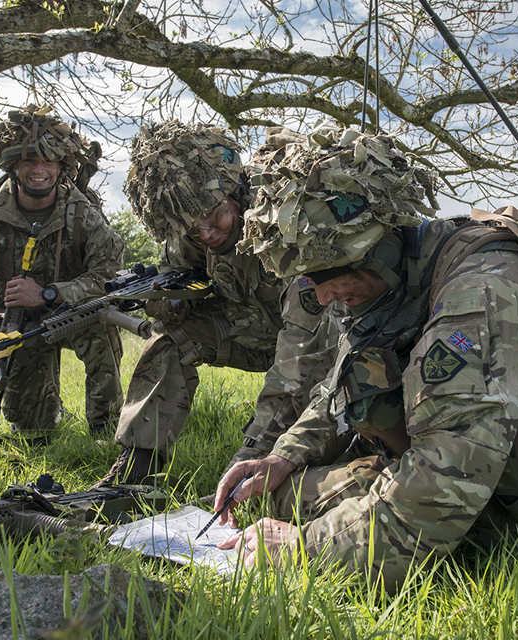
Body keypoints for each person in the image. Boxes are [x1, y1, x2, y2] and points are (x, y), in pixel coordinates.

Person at [215, 123, 518, 588]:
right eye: (307, 282)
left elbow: (445, 481)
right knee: (276, 494)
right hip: (448, 458)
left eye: (325, 276)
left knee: (304, 524)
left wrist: (304, 549)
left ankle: (481, 542)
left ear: (377, 246)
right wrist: (281, 456)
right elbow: (337, 385)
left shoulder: (485, 288)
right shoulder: (389, 279)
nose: (321, 297)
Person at [95, 121, 345, 485]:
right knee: (169, 337)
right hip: (253, 333)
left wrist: (252, 453)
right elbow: (174, 277)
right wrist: (168, 306)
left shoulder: (286, 214)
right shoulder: (192, 223)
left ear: (234, 190)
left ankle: (270, 461)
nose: (207, 234)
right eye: (194, 229)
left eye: (214, 218)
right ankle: (136, 467)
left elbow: (301, 350)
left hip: (320, 342)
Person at [0, 103, 125, 441]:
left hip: (72, 311)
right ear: (12, 165)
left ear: (61, 166)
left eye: (48, 161)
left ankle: (106, 430)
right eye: (29, 160)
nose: (39, 169)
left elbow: (109, 273)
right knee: (33, 432)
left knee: (102, 326)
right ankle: (41, 419)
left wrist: (50, 293)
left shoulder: (82, 213)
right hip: (15, 322)